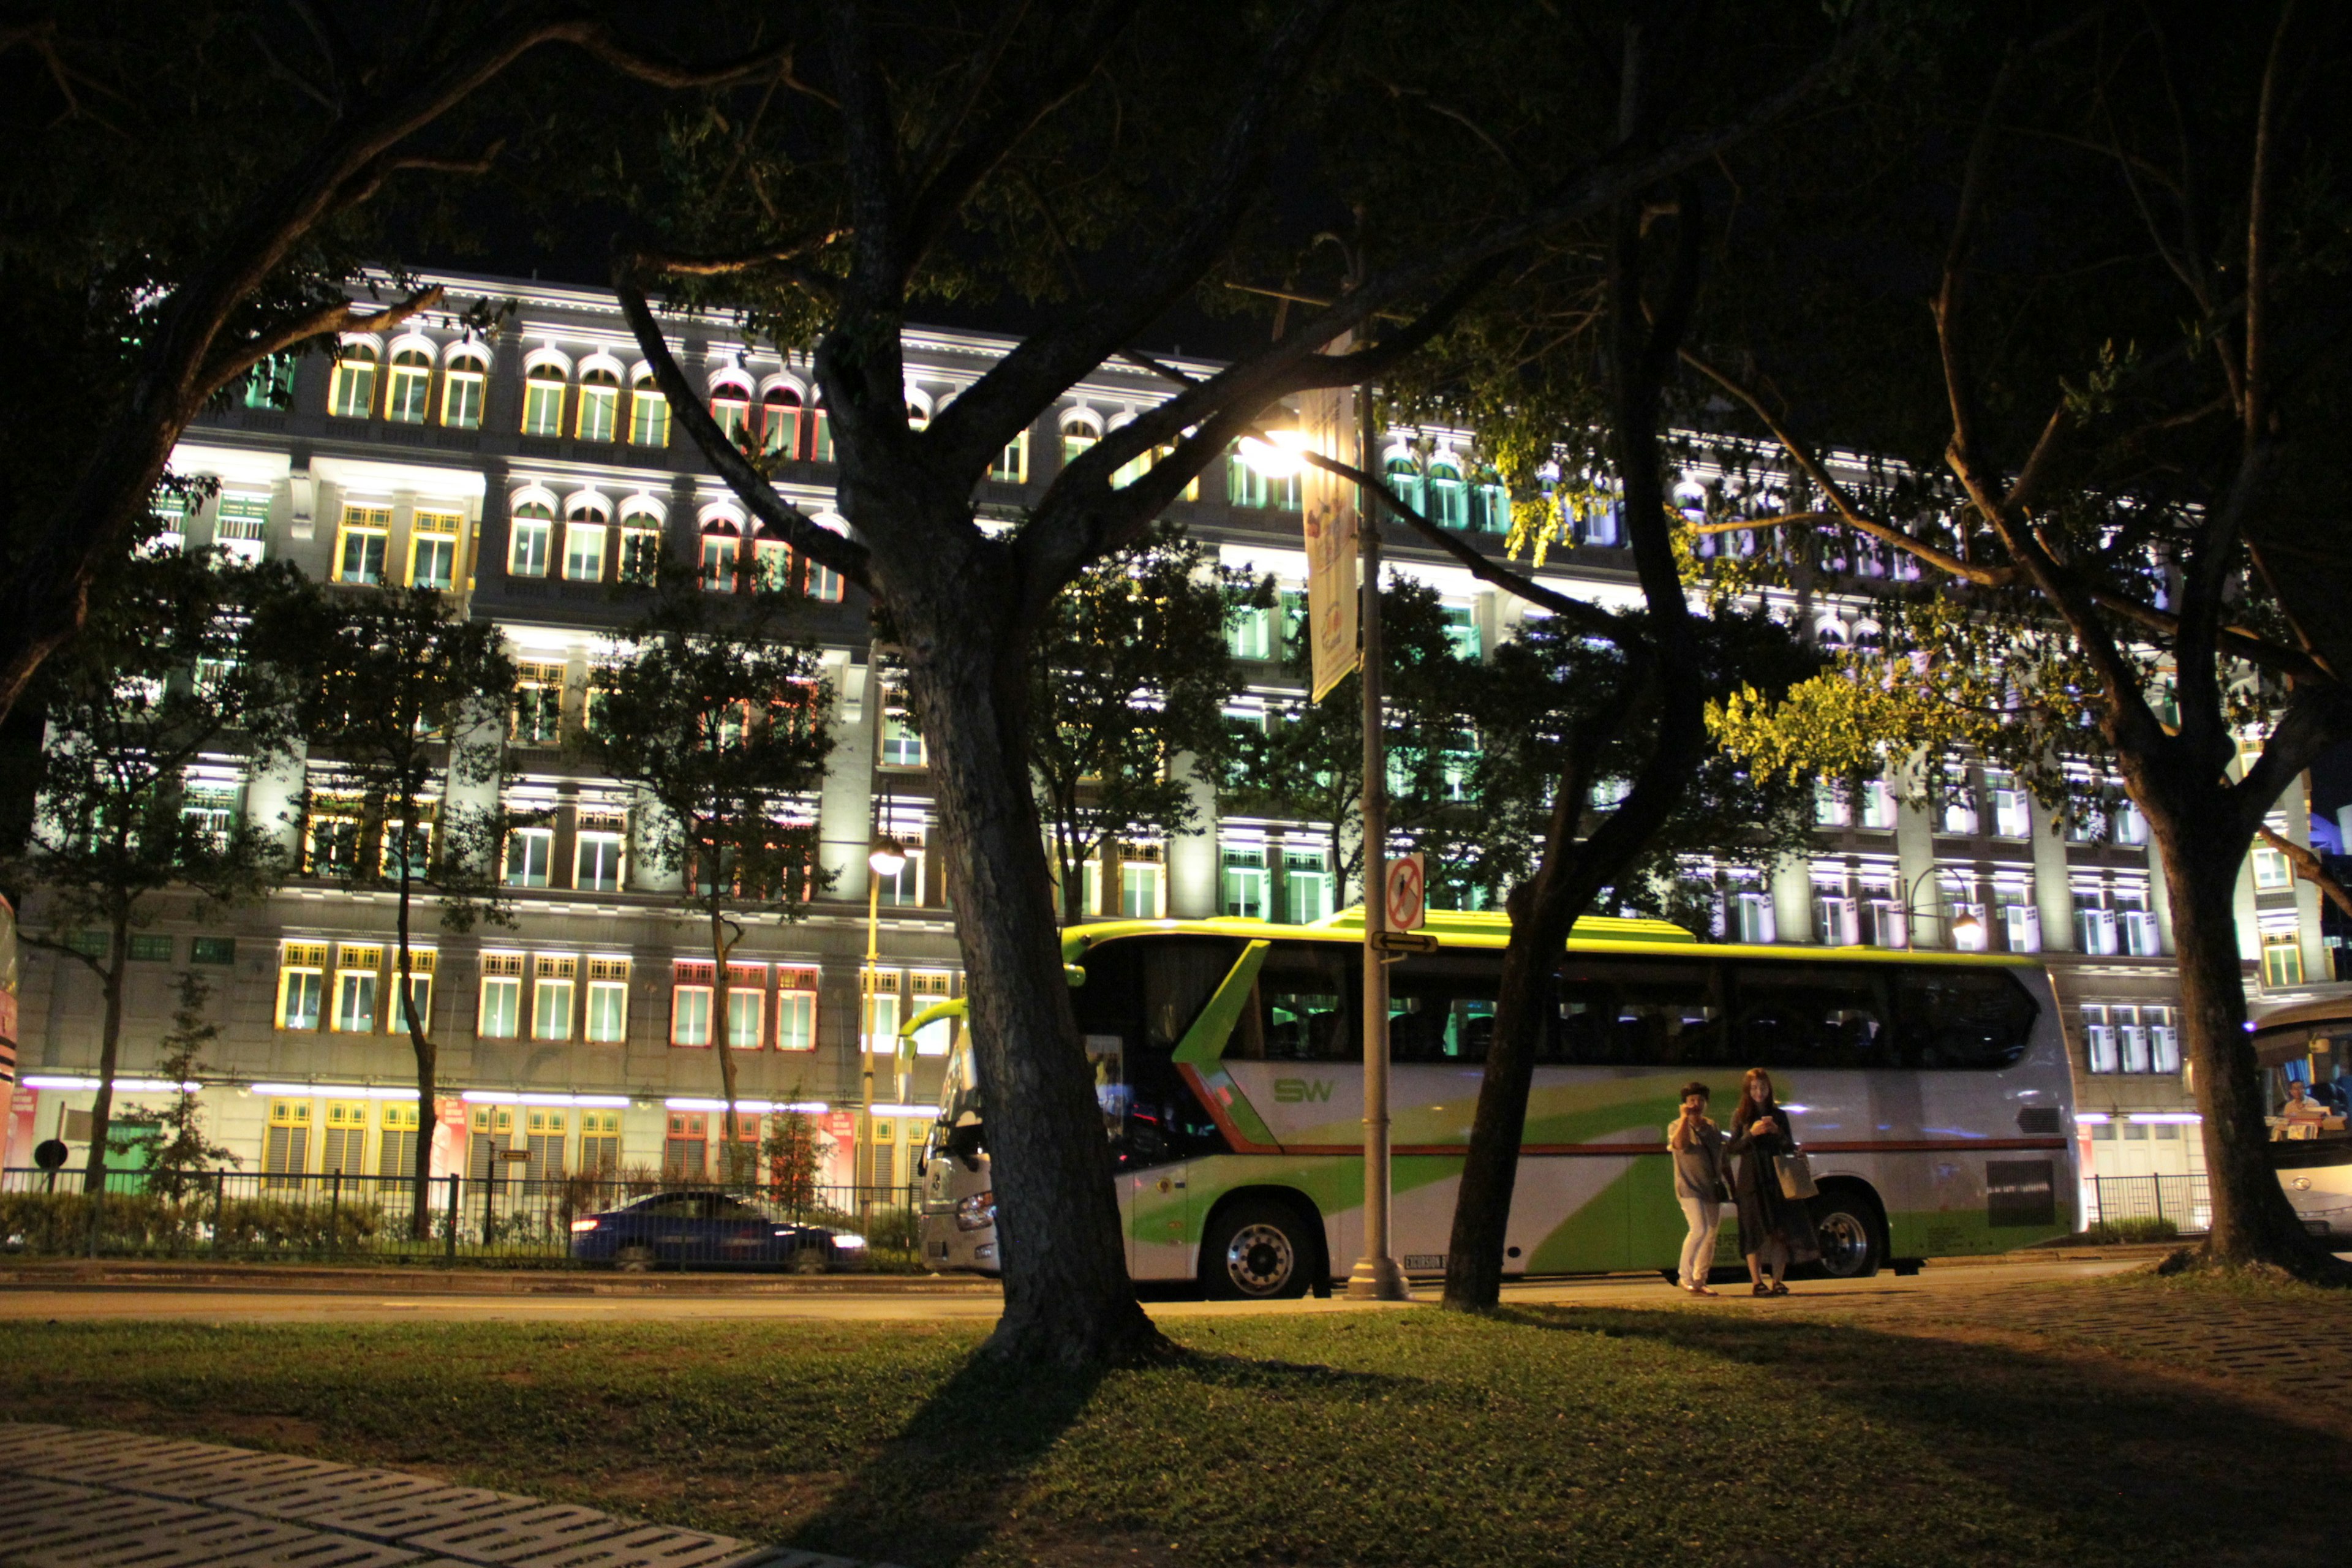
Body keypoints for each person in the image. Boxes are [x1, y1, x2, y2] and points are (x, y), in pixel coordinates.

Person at [1724, 1066, 1820, 1295]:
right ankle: (1757, 1282)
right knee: (1754, 1230)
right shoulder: (1741, 1116)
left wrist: (1777, 1132)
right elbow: (1732, 1148)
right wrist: (1752, 1134)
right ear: (1748, 1090)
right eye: (1755, 1087)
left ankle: (1778, 1280)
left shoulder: (1780, 1116)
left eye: (1763, 1087)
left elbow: (1789, 1146)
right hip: (1752, 1177)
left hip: (1777, 1176)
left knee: (1780, 1231)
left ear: (1769, 1089)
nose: (1759, 1092)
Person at [1667, 1080, 1728, 1296]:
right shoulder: (1676, 1125)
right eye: (1692, 1100)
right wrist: (1685, 1118)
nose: (1696, 1104)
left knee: (1711, 1234)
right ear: (1684, 1104)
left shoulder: (1712, 1126)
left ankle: (1700, 1280)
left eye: (1701, 1100)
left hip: (1711, 1186)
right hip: (1689, 1187)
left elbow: (1722, 1157)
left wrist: (1728, 1182)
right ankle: (1684, 1277)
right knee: (1699, 1229)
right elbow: (1680, 1145)